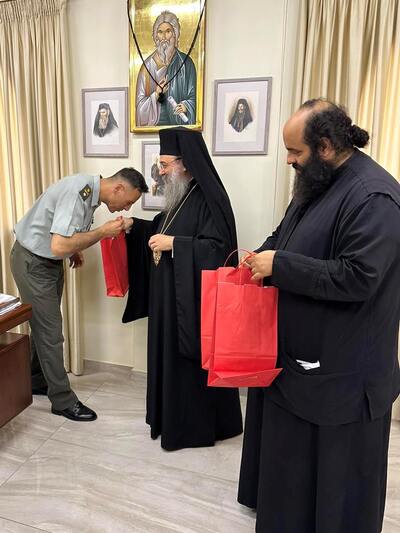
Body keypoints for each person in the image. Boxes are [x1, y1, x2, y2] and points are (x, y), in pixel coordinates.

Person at [238, 99, 400, 533]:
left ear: (325, 146)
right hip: (299, 365)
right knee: (292, 482)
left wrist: (280, 266)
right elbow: (285, 234)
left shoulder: (373, 197)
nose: (289, 160)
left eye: (295, 152)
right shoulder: (318, 181)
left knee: (335, 494)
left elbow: (359, 277)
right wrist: (258, 256)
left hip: (345, 376)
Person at [121, 127, 243, 451]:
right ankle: (168, 418)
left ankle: (192, 428)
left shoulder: (210, 198)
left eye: (165, 164)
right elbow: (164, 229)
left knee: (189, 366)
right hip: (168, 300)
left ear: (185, 163)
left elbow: (219, 249)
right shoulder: (181, 196)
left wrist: (175, 244)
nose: (160, 171)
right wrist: (137, 228)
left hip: (193, 306)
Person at [10, 168, 148, 422]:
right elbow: (59, 244)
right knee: (51, 333)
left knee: (44, 327)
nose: (127, 208)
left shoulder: (89, 193)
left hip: (47, 262)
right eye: (128, 201)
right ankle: (63, 400)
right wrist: (101, 233)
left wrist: (73, 250)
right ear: (118, 188)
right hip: (33, 263)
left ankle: (37, 380)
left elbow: (63, 232)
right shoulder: (79, 192)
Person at [136, 11, 196, 127]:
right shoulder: (146, 67)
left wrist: (186, 106)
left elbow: (194, 98)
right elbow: (139, 109)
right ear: (155, 37)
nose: (164, 37)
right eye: (160, 32)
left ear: (175, 35)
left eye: (168, 31)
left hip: (178, 127)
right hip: (154, 127)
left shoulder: (186, 63)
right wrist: (156, 94)